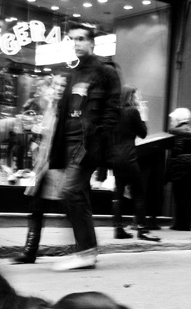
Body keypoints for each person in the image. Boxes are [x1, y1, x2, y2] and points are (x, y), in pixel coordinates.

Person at [48, 22, 121, 271]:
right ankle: (86, 251)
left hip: (87, 145)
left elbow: (112, 113)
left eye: (81, 39)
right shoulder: (74, 73)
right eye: (72, 39)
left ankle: (86, 251)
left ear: (92, 42)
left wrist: (99, 144)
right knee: (79, 195)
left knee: (68, 192)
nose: (76, 44)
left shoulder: (106, 72)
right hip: (68, 143)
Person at [12, 73, 67, 264]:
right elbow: (45, 135)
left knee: (72, 209)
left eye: (63, 85)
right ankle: (29, 252)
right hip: (42, 166)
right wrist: (37, 135)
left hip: (59, 167)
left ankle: (86, 247)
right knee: (36, 207)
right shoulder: (50, 108)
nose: (58, 88)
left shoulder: (68, 112)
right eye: (56, 85)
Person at [112, 85, 160, 242]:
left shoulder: (114, 112)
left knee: (118, 194)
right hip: (129, 157)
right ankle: (142, 229)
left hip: (116, 158)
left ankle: (118, 228)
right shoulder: (132, 111)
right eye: (137, 96)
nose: (139, 99)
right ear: (130, 96)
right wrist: (144, 115)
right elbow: (143, 133)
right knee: (139, 194)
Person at [167, 107, 191, 231]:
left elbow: (176, 152)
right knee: (188, 197)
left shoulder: (175, 133)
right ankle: (185, 223)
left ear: (178, 120)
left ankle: (180, 223)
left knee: (179, 197)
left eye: (173, 119)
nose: (171, 122)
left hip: (179, 169)